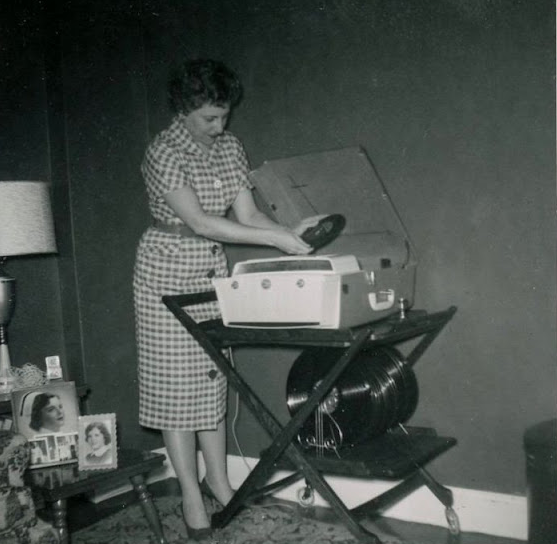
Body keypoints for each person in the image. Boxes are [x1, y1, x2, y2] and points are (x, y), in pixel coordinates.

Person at [133, 58, 321, 540]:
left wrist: (285, 232)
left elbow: (246, 213)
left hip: (210, 269)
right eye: (209, 119)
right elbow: (199, 221)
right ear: (183, 109)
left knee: (211, 380)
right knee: (177, 390)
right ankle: (191, 493)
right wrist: (275, 242)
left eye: (224, 116)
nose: (220, 126)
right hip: (166, 269)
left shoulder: (230, 146)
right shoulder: (164, 151)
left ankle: (219, 481)